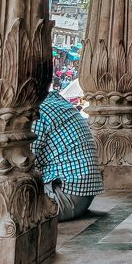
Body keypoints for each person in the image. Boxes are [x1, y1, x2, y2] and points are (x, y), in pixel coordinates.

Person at [32, 89, 103, 221]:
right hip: (82, 197)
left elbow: (22, 160)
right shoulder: (57, 102)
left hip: (64, 198)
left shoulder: (38, 111)